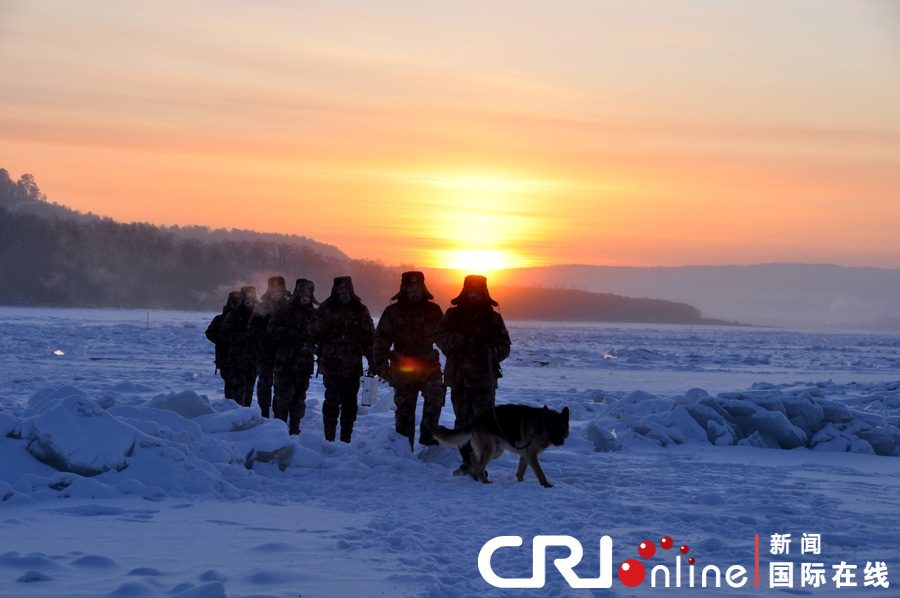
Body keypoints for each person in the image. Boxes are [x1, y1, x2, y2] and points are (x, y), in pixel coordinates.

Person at [435, 275, 511, 477]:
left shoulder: (493, 318)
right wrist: (453, 340)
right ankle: (466, 462)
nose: (474, 295)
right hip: (459, 380)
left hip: (483, 382)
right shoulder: (452, 315)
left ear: (484, 292)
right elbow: (438, 336)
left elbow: (505, 347)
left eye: (478, 291)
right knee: (462, 422)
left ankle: (479, 463)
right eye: (471, 291)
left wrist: (491, 352)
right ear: (465, 291)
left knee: (483, 425)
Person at [374, 271, 445, 450]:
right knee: (405, 408)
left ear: (423, 288)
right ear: (404, 288)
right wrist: (381, 365)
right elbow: (381, 339)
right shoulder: (393, 311)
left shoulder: (434, 310)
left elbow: (444, 337)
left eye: (418, 287)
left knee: (436, 397)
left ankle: (429, 441)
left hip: (429, 364)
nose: (414, 290)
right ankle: (404, 448)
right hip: (403, 366)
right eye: (410, 287)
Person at [309, 276, 375, 443]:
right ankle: (329, 438)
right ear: (335, 291)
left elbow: (369, 338)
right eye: (340, 290)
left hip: (352, 365)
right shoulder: (326, 308)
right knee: (331, 402)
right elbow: (311, 330)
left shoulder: (360, 309)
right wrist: (327, 321)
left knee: (350, 404)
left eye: (347, 290)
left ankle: (346, 438)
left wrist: (374, 361)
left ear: (351, 290)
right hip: (331, 364)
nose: (344, 293)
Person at [267, 278, 318, 435]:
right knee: (283, 398)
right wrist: (292, 334)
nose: (305, 294)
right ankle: (279, 431)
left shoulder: (315, 313)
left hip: (304, 364)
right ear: (297, 292)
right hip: (285, 363)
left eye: (309, 291)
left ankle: (295, 430)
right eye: (302, 291)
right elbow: (272, 329)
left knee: (298, 400)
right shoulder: (285, 310)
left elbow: (322, 334)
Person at [248, 276, 289, 418]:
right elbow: (251, 327)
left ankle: (279, 415)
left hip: (284, 355)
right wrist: (263, 335)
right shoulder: (262, 306)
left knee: (281, 386)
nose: (277, 291)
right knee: (264, 383)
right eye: (273, 288)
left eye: (279, 288)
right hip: (265, 353)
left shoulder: (290, 306)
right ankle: (264, 411)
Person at [221, 286, 259, 408]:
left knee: (249, 389)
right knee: (237, 390)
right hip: (237, 359)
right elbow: (224, 334)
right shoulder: (234, 314)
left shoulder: (259, 314)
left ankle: (246, 413)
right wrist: (242, 337)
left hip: (254, 359)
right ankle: (237, 415)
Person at [205, 290, 241, 400]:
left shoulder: (244, 318)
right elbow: (210, 333)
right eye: (234, 300)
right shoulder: (220, 319)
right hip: (225, 357)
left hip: (241, 358)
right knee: (229, 385)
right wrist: (223, 340)